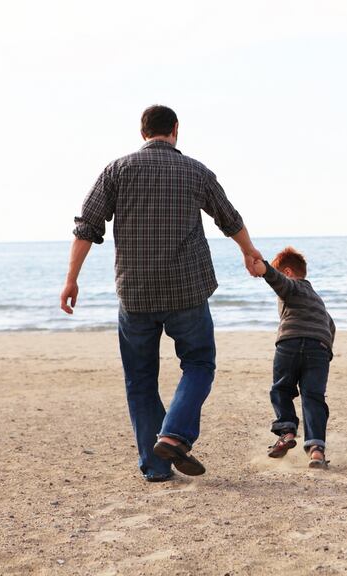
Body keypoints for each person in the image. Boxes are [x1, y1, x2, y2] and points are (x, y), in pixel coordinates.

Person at [60, 105, 264, 482]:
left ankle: (156, 467)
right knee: (199, 364)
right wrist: (249, 252)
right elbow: (229, 218)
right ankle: (173, 435)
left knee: (140, 380)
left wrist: (72, 279)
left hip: (135, 294)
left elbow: (86, 226)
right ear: (175, 130)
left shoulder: (117, 170)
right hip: (186, 290)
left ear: (143, 134)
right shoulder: (196, 171)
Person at [252, 247, 335, 469]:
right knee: (313, 397)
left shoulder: (291, 286)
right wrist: (326, 353)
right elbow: (330, 326)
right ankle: (316, 451)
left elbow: (278, 281)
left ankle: (287, 433)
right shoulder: (317, 299)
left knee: (281, 389)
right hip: (319, 348)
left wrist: (263, 268)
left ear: (287, 272)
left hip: (289, 344)